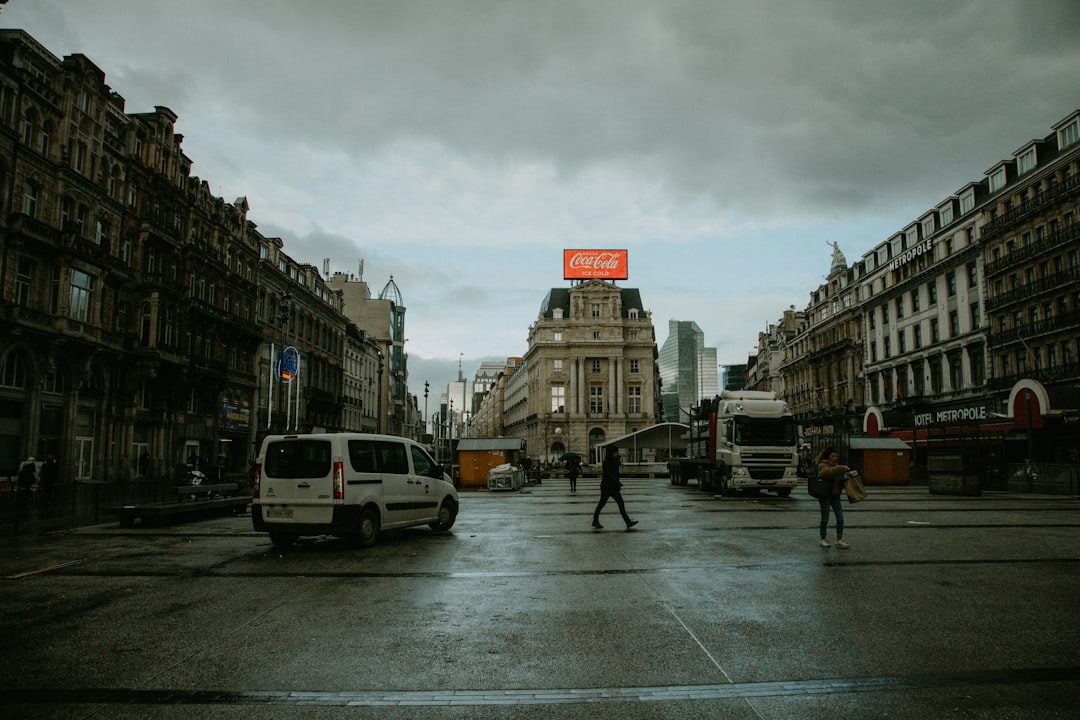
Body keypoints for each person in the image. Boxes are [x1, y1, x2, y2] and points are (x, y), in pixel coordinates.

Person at [592, 445, 637, 530]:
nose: (617, 454)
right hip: (607, 487)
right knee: (602, 504)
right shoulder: (607, 462)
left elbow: (617, 467)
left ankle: (628, 522)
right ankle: (595, 521)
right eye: (615, 452)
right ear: (611, 453)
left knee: (620, 503)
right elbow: (610, 474)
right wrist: (617, 482)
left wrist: (617, 458)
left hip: (612, 487)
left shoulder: (614, 461)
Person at [815, 447, 850, 549]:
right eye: (833, 456)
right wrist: (839, 469)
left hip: (835, 494)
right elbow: (825, 473)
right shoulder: (822, 465)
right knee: (825, 517)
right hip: (825, 494)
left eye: (836, 456)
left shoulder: (837, 466)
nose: (835, 458)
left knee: (840, 517)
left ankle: (839, 539)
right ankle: (823, 538)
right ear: (828, 456)